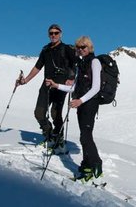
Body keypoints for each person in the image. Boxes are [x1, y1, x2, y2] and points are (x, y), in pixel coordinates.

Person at [46, 36, 103, 181]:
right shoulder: (81, 64)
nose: (80, 50)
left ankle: (96, 166)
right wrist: (56, 85)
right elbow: (74, 87)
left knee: (86, 136)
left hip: (90, 103)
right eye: (78, 47)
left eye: (83, 47)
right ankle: (86, 165)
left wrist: (80, 100)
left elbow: (96, 87)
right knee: (84, 136)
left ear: (89, 48)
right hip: (81, 103)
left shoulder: (94, 62)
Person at [17, 24, 76, 151]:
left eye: (56, 33)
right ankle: (50, 135)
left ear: (61, 34)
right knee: (39, 112)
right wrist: (25, 80)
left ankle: (58, 138)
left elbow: (75, 64)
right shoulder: (45, 50)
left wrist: (71, 78)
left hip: (60, 85)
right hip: (47, 84)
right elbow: (38, 67)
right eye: (51, 33)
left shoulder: (67, 49)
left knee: (55, 113)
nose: (53, 35)